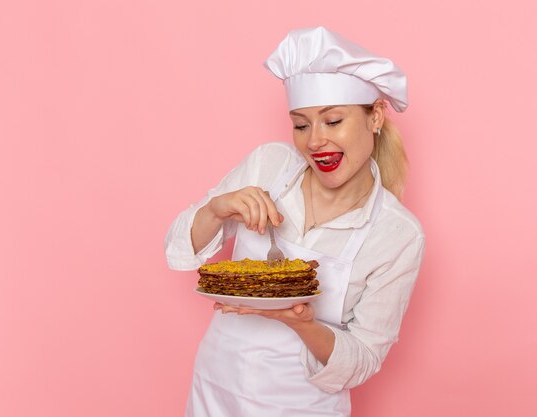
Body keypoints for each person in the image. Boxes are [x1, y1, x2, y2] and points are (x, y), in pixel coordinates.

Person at [165, 26, 425, 417]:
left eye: (333, 121)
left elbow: (365, 357)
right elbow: (177, 248)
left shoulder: (398, 234)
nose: (314, 141)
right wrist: (217, 209)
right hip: (215, 388)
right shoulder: (269, 164)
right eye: (301, 125)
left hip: (300, 406)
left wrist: (302, 322)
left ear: (374, 117)